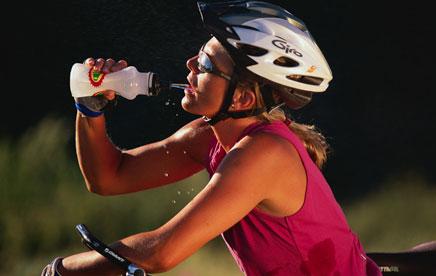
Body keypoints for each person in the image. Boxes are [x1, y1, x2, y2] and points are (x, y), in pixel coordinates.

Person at [42, 1, 382, 275]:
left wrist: (61, 270)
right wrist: (90, 109)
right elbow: (108, 176)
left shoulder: (264, 152)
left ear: (242, 99)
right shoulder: (208, 137)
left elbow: (162, 252)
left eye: (205, 63)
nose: (190, 64)